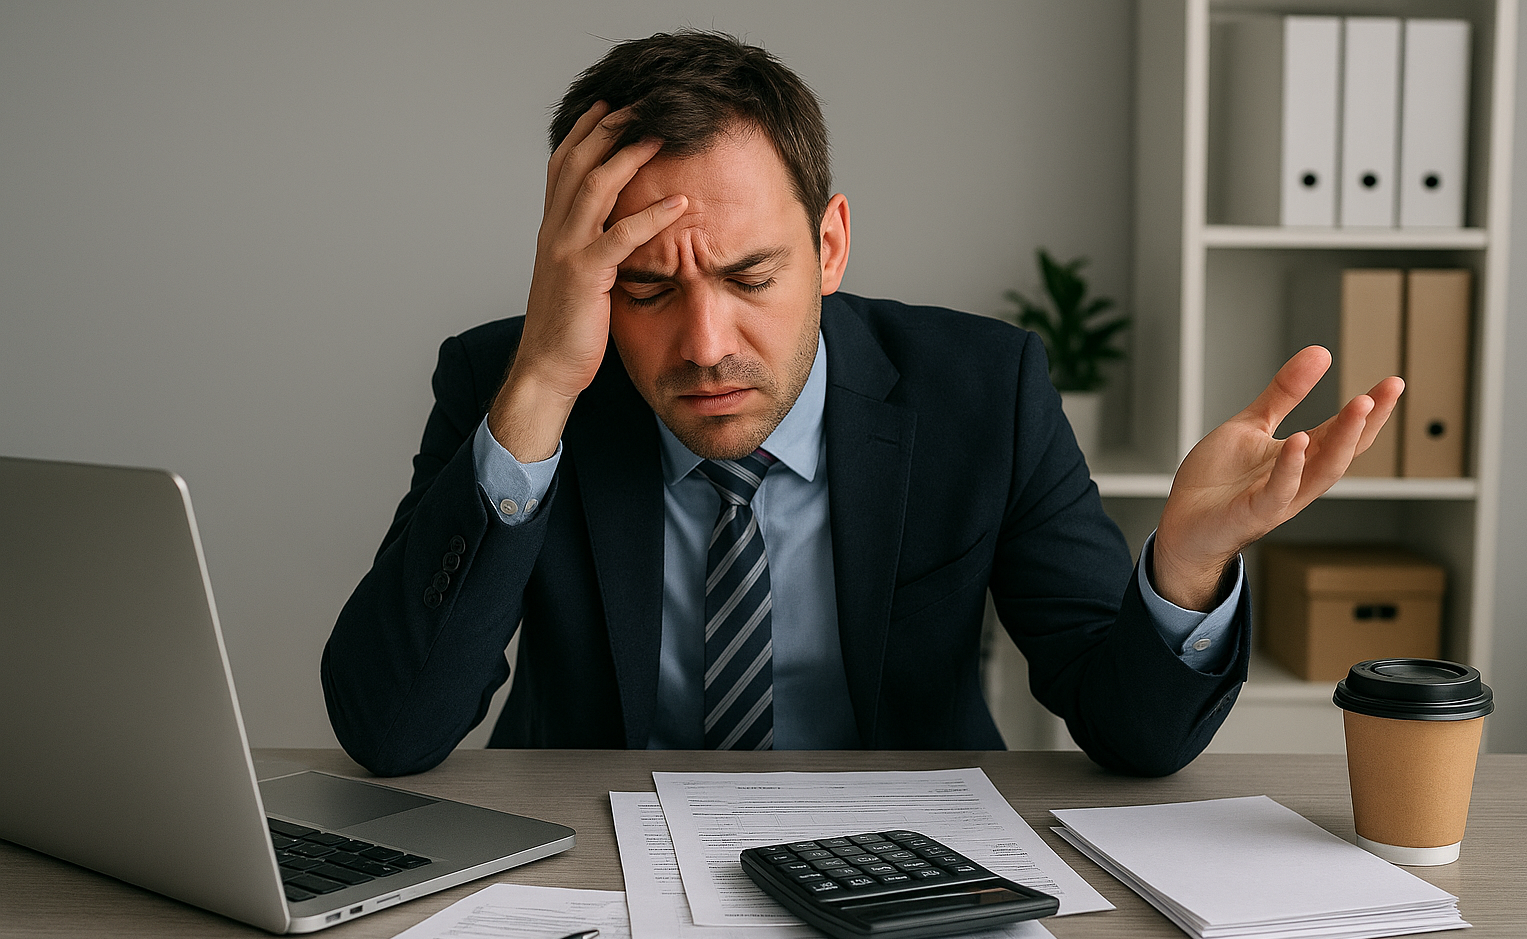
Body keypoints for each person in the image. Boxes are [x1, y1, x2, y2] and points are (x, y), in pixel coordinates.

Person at [321, 30, 1401, 778]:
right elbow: (392, 729)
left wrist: (1186, 567)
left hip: (908, 857)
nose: (706, 347)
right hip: (596, 861)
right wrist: (544, 385)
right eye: (645, 289)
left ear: (830, 245)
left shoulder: (986, 389)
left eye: (750, 278)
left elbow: (1133, 732)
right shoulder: (507, 383)